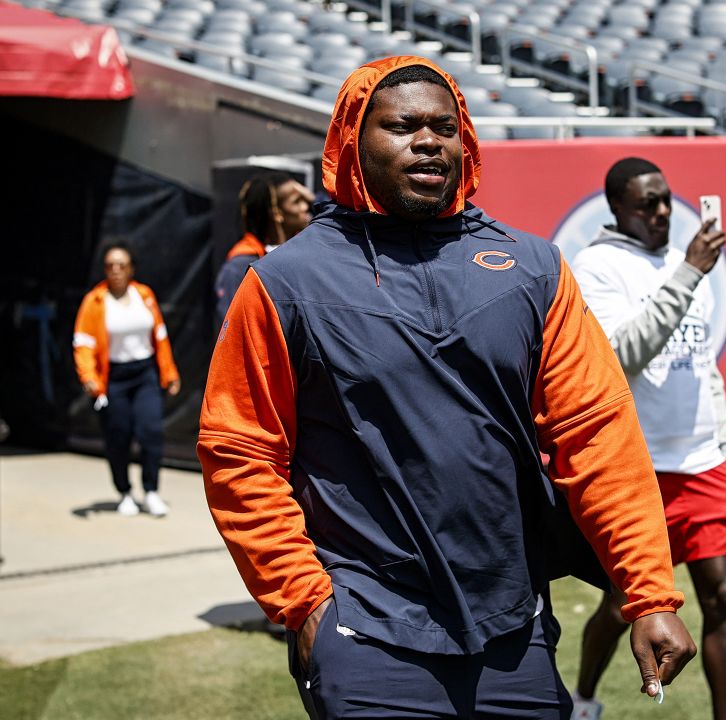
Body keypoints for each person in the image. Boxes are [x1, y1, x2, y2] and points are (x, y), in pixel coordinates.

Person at [199, 57, 697, 719]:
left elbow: (597, 433)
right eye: (403, 126)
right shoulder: (286, 281)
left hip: (513, 633)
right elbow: (239, 452)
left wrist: (649, 594)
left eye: (445, 126)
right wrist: (306, 604)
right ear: (354, 141)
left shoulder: (531, 268)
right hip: (365, 633)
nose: (429, 140)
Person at [569, 158, 726, 720]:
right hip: (639, 467)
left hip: (705, 459)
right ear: (618, 209)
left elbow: (703, 364)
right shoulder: (596, 266)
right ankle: (584, 699)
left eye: (667, 199)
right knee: (623, 603)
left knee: (720, 597)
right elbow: (621, 357)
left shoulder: (681, 262)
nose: (663, 211)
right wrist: (690, 273)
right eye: (648, 203)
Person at [74, 242, 181, 517]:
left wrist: (169, 373)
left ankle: (152, 491)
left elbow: (160, 336)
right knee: (118, 436)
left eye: (122, 265)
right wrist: (89, 378)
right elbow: (83, 343)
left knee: (151, 431)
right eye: (111, 265)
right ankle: (124, 492)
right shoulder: (94, 301)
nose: (116, 270)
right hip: (114, 377)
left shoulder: (144, 295)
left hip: (144, 373)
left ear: (131, 268)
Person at [214, 173, 315, 319]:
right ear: (277, 212)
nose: (306, 207)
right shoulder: (240, 266)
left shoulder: (295, 254)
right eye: (297, 201)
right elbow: (232, 325)